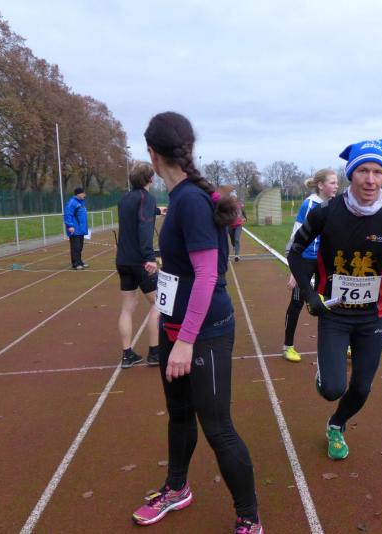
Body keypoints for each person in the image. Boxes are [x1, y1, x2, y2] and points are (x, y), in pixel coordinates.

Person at [132, 112, 262, 533]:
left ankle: (249, 518)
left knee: (218, 428)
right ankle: (177, 488)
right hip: (177, 326)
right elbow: (192, 269)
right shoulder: (183, 197)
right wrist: (165, 272)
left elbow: (208, 276)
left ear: (152, 154)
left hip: (203, 332)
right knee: (180, 414)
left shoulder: (189, 200)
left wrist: (186, 340)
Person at [287, 139, 382, 461]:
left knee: (361, 388)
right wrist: (310, 294)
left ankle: (337, 424)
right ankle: (326, 378)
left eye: (378, 172)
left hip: (372, 316)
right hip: (333, 314)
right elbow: (295, 253)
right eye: (363, 171)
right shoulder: (325, 212)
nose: (371, 180)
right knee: (332, 389)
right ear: (351, 174)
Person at [282, 169, 339, 363]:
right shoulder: (309, 205)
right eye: (332, 183)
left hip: (325, 261)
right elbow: (296, 235)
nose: (336, 186)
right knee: (297, 302)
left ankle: (343, 344)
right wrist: (294, 269)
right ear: (321, 185)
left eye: (337, 183)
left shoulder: (335, 205)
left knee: (333, 300)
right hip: (305, 260)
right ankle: (288, 346)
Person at [116, 162, 163, 369]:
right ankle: (155, 352)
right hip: (140, 261)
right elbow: (144, 227)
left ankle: (127, 355)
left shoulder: (124, 199)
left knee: (127, 307)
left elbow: (136, 216)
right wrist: (149, 258)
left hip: (123, 260)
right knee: (159, 303)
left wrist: (157, 211)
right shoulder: (147, 198)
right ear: (150, 179)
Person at [64, 187, 89, 270]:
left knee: (80, 246)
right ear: (78, 194)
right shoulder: (72, 203)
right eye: (83, 193)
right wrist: (70, 226)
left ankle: (79, 261)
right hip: (75, 229)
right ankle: (75, 263)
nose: (84, 195)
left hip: (80, 229)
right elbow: (68, 215)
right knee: (75, 247)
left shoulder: (81, 203)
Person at [227, 189, 247, 262]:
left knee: (237, 239)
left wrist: (245, 218)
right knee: (232, 240)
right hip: (230, 225)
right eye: (232, 197)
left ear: (235, 197)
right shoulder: (227, 205)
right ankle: (234, 247)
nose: (233, 198)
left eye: (234, 197)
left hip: (238, 225)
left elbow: (243, 211)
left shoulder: (239, 204)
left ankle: (237, 255)